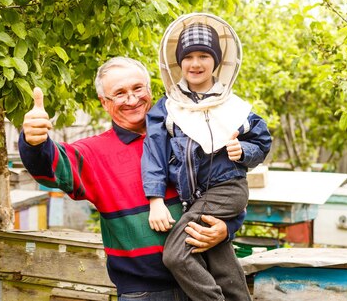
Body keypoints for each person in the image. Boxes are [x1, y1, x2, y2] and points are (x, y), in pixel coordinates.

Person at [18, 56, 245, 300]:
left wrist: (227, 228)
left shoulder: (190, 134)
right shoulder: (95, 153)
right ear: (104, 103)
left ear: (150, 90)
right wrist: (33, 142)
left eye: (138, 88)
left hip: (206, 285)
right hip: (145, 293)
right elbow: (53, 167)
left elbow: (225, 189)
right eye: (119, 93)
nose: (132, 99)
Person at [142, 13, 272, 301]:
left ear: (216, 61)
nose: (196, 63)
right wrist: (155, 200)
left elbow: (262, 142)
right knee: (216, 254)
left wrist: (244, 152)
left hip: (228, 190)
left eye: (204, 55)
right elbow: (153, 156)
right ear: (179, 62)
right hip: (196, 197)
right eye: (188, 57)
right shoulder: (167, 108)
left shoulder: (234, 107)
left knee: (176, 254)